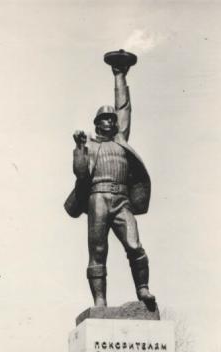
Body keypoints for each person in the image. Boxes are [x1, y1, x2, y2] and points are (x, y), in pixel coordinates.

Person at [63, 59, 155, 308]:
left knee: (135, 245)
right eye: (105, 119)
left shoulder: (121, 140)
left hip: (122, 200)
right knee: (98, 251)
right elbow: (81, 174)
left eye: (112, 119)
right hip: (98, 199)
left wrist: (119, 76)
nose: (110, 122)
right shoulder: (90, 145)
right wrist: (80, 148)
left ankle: (143, 289)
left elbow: (124, 107)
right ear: (97, 123)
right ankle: (100, 301)